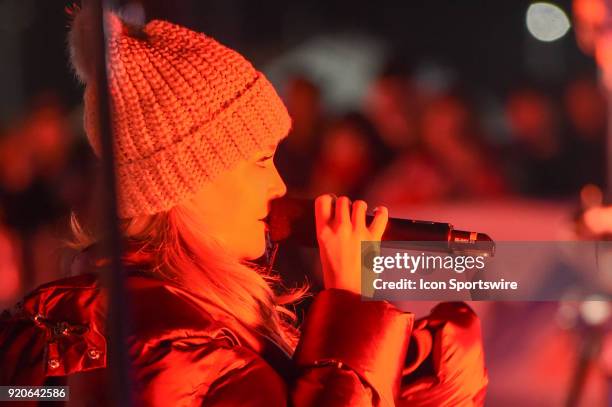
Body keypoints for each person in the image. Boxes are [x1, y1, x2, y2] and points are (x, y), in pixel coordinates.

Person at [0, 7, 487, 406]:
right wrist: (350, 311)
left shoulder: (210, 312)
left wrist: (414, 352)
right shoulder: (155, 345)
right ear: (188, 180)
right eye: (259, 161)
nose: (278, 185)